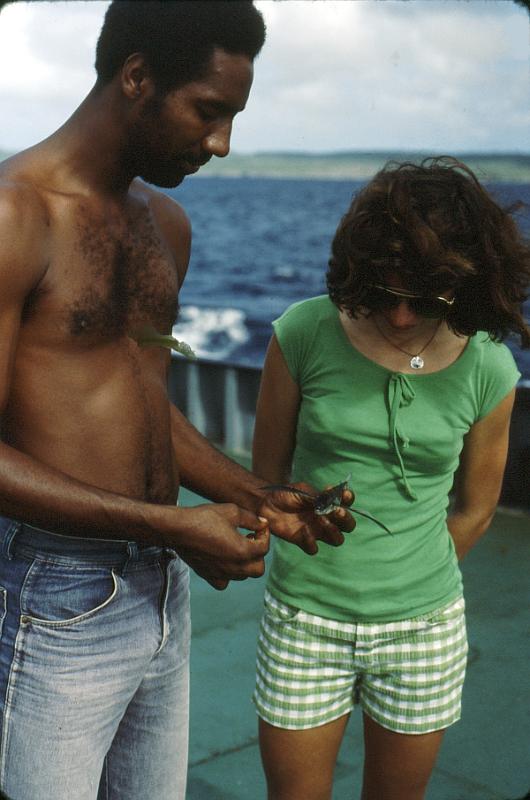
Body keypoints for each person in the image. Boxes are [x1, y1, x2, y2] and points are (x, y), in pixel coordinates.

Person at [0, 3, 354, 799]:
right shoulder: (13, 215)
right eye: (209, 111)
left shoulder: (166, 224)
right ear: (136, 77)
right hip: (53, 596)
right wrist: (170, 522)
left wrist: (252, 492)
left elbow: (137, 401)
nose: (221, 143)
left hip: (162, 587)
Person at [252, 157, 530, 800]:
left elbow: (475, 510)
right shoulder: (302, 332)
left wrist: (407, 579)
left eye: (425, 298)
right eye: (382, 293)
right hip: (304, 621)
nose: (401, 317)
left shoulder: (490, 368)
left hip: (425, 630)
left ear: (466, 280)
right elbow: (265, 480)